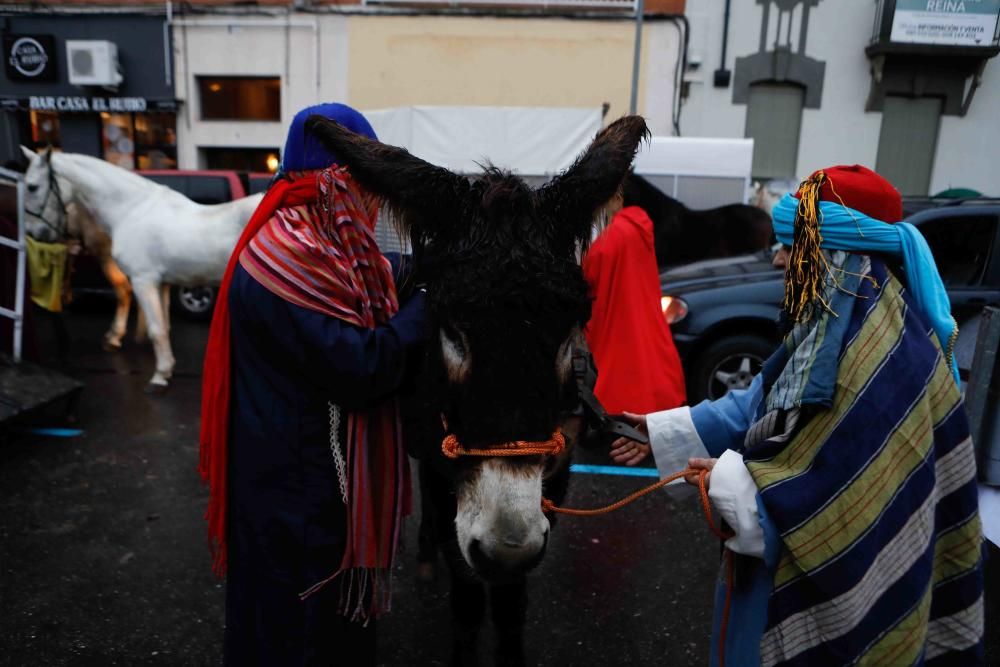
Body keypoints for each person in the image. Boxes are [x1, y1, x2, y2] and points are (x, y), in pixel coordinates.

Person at [613, 165, 984, 665]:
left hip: (821, 610)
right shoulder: (843, 321)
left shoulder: (873, 355)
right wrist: (667, 429)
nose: (779, 259)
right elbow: (766, 396)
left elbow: (834, 496)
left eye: (792, 245)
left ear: (834, 254)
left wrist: (728, 481)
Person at [198, 103, 427, 666]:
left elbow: (377, 271)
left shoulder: (320, 242)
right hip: (296, 497)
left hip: (300, 483)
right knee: (299, 637)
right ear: (337, 181)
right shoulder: (290, 256)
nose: (375, 205)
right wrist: (430, 305)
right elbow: (362, 367)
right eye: (369, 187)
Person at [582, 176, 686, 432]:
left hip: (614, 317)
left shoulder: (614, 234)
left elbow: (588, 274)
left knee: (619, 368)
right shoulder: (638, 229)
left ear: (617, 197)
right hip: (637, 311)